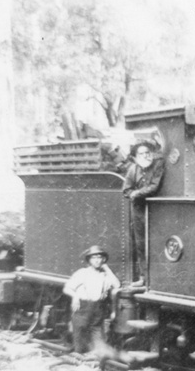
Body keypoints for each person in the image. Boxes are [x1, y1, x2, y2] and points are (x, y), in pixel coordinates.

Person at [63, 245, 121, 355]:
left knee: (98, 336)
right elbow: (67, 288)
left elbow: (117, 284)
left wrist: (107, 268)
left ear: (103, 260)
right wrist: (75, 296)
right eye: (94, 258)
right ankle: (79, 361)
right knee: (80, 336)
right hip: (83, 307)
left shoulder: (105, 275)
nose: (97, 260)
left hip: (98, 308)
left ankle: (96, 363)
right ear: (89, 260)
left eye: (100, 258)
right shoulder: (82, 273)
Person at [122, 142, 164, 285]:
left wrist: (137, 193)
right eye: (141, 154)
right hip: (139, 209)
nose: (145, 156)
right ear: (135, 157)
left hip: (155, 208)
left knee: (157, 241)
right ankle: (144, 277)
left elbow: (154, 186)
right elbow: (126, 190)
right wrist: (133, 194)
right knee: (141, 243)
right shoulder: (133, 169)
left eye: (147, 152)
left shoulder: (158, 165)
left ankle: (159, 277)